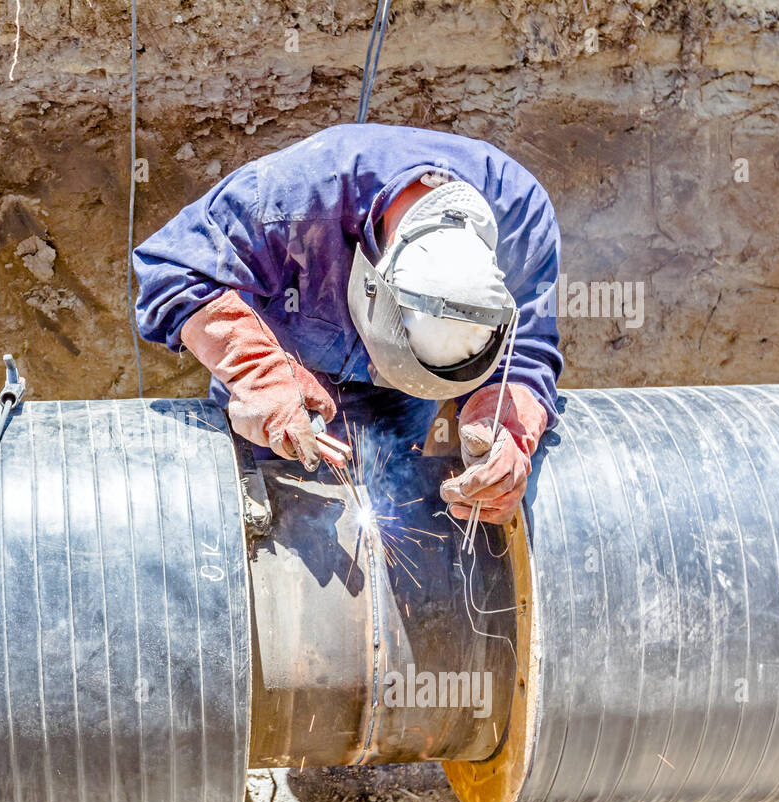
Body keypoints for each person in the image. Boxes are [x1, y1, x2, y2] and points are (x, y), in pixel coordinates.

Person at [133, 124, 561, 524]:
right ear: (376, 283)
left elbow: (524, 353)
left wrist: (505, 432)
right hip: (284, 371)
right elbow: (171, 270)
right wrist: (257, 374)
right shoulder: (289, 200)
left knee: (391, 512)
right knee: (269, 527)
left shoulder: (522, 221)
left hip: (397, 406)